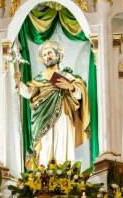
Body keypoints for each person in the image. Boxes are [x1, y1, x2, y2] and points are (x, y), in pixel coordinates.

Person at [17, 40, 90, 168]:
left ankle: (64, 173)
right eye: (44, 55)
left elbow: (79, 94)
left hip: (63, 114)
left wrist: (71, 87)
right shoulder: (39, 79)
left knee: (62, 143)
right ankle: (44, 174)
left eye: (50, 53)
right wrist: (18, 83)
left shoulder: (67, 75)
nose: (47, 56)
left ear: (57, 56)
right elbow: (29, 93)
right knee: (46, 144)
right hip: (43, 116)